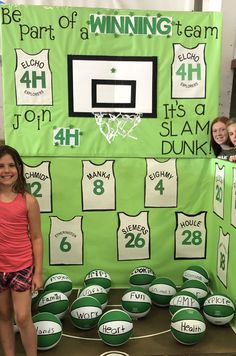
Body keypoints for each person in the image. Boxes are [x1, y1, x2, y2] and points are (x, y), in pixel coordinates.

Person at [0, 145, 43, 356]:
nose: (6, 170)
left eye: (11, 165)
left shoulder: (29, 201)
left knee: (23, 317)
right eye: (0, 166)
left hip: (21, 267)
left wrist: (38, 272)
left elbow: (36, 237)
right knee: (3, 315)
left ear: (19, 168)